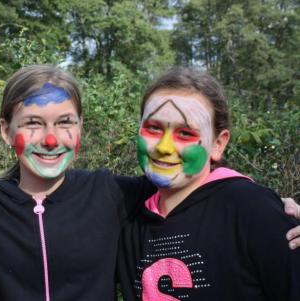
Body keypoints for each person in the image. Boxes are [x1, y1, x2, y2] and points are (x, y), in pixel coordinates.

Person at [0, 65, 299, 301]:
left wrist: (265, 202)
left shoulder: (112, 193)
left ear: (81, 129)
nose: (50, 138)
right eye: (32, 123)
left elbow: (189, 187)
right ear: (5, 130)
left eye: (66, 122)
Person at [116, 67, 300, 300]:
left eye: (184, 134)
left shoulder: (251, 210)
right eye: (153, 128)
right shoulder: (126, 213)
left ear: (218, 144)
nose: (164, 147)